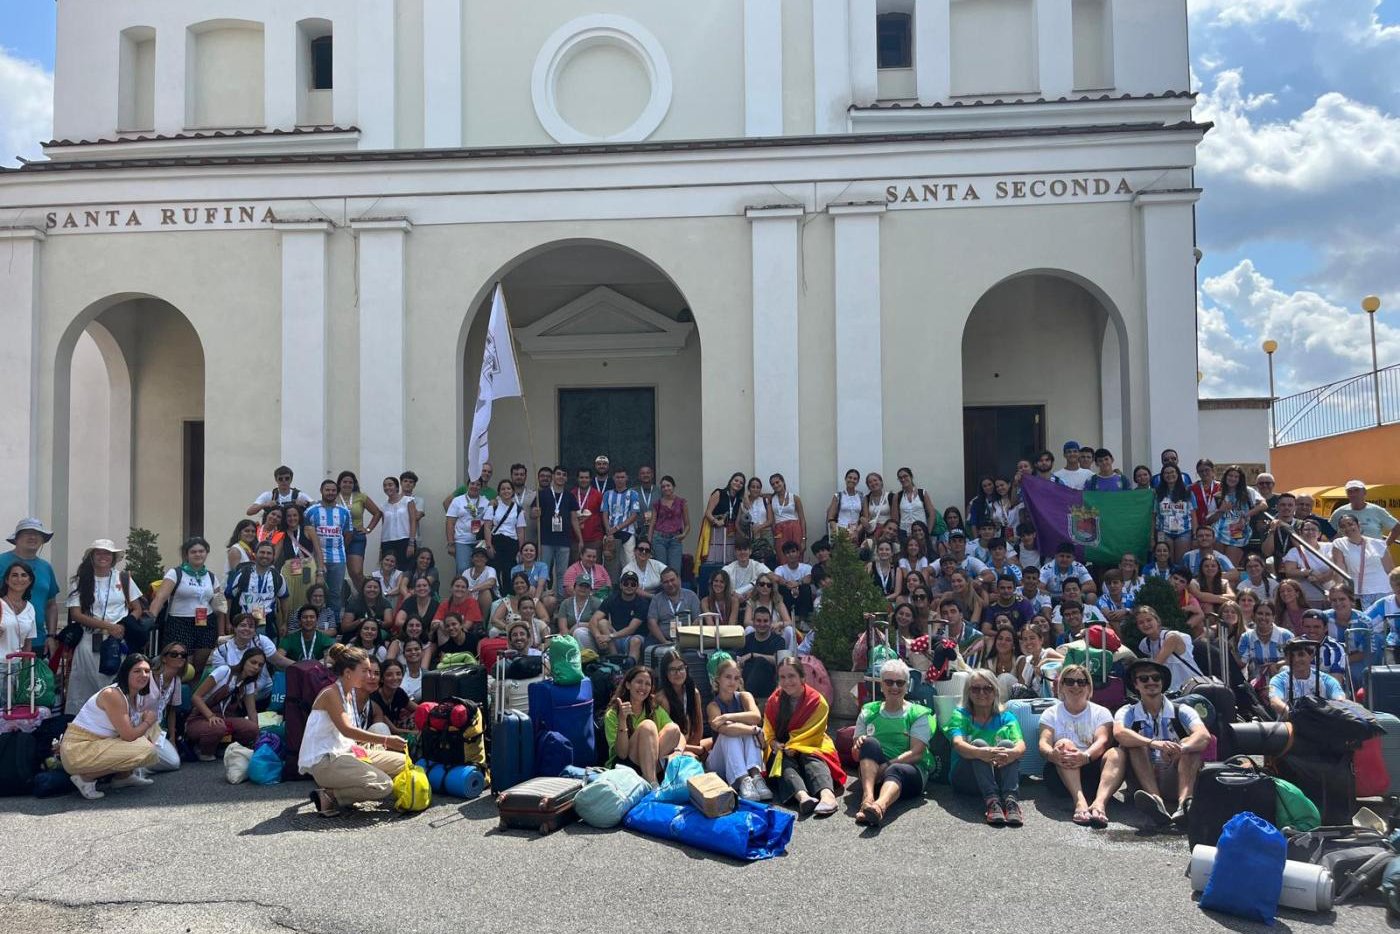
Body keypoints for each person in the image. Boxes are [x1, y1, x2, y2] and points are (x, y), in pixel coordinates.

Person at [300, 644, 409, 817]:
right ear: (348, 673)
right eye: (365, 671)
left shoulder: (349, 693)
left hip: (346, 753)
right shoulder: (330, 693)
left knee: (404, 762)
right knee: (384, 785)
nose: (370, 676)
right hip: (325, 761)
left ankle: (350, 787)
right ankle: (329, 795)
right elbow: (347, 730)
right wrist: (386, 740)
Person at [1114, 659, 1208, 826]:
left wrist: (1181, 748)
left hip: (1173, 776)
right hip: (1141, 780)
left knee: (1191, 744)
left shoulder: (1182, 709)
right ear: (1136, 685)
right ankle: (1156, 801)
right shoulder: (1127, 711)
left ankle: (1184, 804)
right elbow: (1119, 733)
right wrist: (1153, 743)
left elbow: (1203, 735)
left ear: (1162, 682)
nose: (1151, 682)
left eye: (1156, 678)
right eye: (1144, 679)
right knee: (1136, 743)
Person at [59, 653, 160, 799]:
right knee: (146, 748)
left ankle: (124, 777)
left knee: (153, 730)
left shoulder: (134, 695)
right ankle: (85, 779)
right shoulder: (113, 694)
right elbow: (128, 736)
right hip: (78, 750)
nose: (143, 675)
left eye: (147, 671)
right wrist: (147, 721)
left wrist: (147, 725)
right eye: (137, 671)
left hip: (98, 744)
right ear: (126, 673)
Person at [1038, 663, 1126, 828]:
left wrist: (1085, 757)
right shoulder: (1050, 713)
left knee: (1117, 753)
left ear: (1089, 687)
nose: (1076, 686)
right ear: (1061, 686)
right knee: (1064, 744)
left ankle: (1099, 804)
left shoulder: (1101, 712)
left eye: (1081, 682)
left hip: (1094, 771)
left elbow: (1103, 740)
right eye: (1069, 681)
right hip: (1061, 776)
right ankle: (1079, 802)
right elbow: (1043, 742)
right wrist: (1052, 754)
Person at [64, 540, 146, 716]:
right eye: (99, 552)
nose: (103, 556)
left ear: (113, 557)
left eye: (107, 553)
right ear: (92, 556)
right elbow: (76, 614)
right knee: (86, 686)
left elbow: (137, 608)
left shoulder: (123, 578)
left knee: (116, 684)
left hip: (117, 642)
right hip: (89, 639)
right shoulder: (80, 581)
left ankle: (118, 722)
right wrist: (108, 626)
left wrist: (123, 625)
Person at [851, 658, 933, 827]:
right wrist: (859, 745)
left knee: (895, 769)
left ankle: (879, 807)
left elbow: (917, 753)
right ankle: (867, 799)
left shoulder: (918, 714)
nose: (894, 687)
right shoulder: (868, 711)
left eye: (900, 683)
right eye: (889, 682)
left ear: (907, 686)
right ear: (881, 685)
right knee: (869, 742)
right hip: (875, 775)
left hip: (908, 772)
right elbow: (856, 754)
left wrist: (887, 765)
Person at [762, 657, 843, 817]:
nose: (787, 682)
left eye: (791, 676)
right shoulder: (774, 700)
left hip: (812, 744)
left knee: (810, 757)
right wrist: (773, 743)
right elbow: (768, 730)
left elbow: (814, 731)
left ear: (802, 678)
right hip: (783, 747)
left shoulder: (817, 701)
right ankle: (803, 798)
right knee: (782, 759)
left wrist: (794, 746)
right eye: (782, 677)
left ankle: (827, 796)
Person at [946, 669, 1026, 826]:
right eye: (975, 689)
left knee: (1007, 745)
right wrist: (981, 753)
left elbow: (1021, 745)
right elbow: (957, 743)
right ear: (968, 692)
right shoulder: (960, 715)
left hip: (997, 775)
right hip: (966, 778)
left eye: (987, 688)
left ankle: (1011, 801)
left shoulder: (1006, 717)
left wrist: (1011, 753)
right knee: (978, 744)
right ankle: (992, 801)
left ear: (995, 691)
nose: (982, 693)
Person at [147, 536, 224, 673]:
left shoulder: (211, 576)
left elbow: (220, 606)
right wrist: (149, 620)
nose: (198, 554)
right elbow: (160, 597)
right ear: (186, 554)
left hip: (206, 624)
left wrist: (221, 633)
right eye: (193, 552)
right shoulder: (175, 573)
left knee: (199, 668)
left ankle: (194, 687)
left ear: (206, 553)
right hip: (180, 623)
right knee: (181, 667)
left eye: (201, 551)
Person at [603, 665, 683, 786]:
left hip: (649, 765)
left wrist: (678, 751)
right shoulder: (613, 713)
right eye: (639, 682)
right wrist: (622, 720)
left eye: (647, 684)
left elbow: (677, 734)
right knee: (648, 726)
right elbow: (622, 754)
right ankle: (652, 783)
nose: (643, 687)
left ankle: (648, 777)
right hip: (624, 766)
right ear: (628, 685)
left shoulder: (653, 708)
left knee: (673, 729)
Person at [705, 657, 770, 800]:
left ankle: (756, 777)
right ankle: (743, 780)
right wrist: (755, 730)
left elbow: (756, 716)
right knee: (733, 733)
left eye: (736, 678)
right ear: (718, 679)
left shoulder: (744, 696)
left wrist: (726, 717)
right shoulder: (713, 706)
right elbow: (725, 730)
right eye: (728, 677)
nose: (732, 682)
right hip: (719, 762)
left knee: (744, 729)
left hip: (742, 758)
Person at [185, 649, 265, 761]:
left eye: (260, 665)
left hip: (224, 718)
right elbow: (196, 697)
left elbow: (252, 711)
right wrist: (210, 716)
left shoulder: (248, 683)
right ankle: (203, 751)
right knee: (217, 727)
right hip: (199, 717)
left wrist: (256, 736)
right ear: (244, 661)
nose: (256, 667)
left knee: (251, 728)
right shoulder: (224, 671)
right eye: (253, 662)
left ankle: (223, 747)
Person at [0, 519, 59, 655]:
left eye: (37, 534)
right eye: (27, 533)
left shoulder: (46, 567)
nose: (32, 537)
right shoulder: (1, 562)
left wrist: (51, 635)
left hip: (38, 640)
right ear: (16, 538)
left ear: (42, 540)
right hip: (4, 641)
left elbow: (51, 605)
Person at [305, 480, 353, 618]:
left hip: (338, 559)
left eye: (333, 490)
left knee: (335, 593)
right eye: (327, 490)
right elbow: (306, 533)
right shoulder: (310, 511)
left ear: (337, 492)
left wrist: (340, 548)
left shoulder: (344, 511)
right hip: (315, 561)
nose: (330, 493)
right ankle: (313, 620)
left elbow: (348, 534)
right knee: (314, 592)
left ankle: (334, 622)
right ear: (321, 491)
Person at [226, 540, 290, 640]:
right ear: (255, 554)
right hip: (244, 623)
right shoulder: (243, 574)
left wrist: (284, 623)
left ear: (273, 556)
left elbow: (284, 599)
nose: (265, 556)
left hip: (268, 625)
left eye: (269, 553)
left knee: (267, 649)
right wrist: (227, 622)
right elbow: (229, 597)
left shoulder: (277, 577)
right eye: (262, 552)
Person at [1331, 512, 1395, 609]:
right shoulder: (1339, 544)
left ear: (1358, 525)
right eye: (1343, 526)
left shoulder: (1378, 543)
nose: (1347, 528)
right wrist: (1337, 589)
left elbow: (1390, 570)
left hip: (1383, 590)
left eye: (1350, 524)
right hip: (1358, 593)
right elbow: (1339, 570)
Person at [1204, 466, 1265, 565]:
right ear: (1225, 477)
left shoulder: (1248, 492)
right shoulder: (1218, 495)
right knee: (1217, 565)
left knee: (1230, 565)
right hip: (1219, 533)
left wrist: (1246, 515)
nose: (1233, 478)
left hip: (1237, 531)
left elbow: (1263, 505)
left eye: (1236, 477)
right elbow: (1208, 520)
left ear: (1240, 479)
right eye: (1230, 475)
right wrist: (1221, 510)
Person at [1268, 639, 1344, 716]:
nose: (1296, 659)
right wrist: (1292, 714)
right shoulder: (1278, 680)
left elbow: (1340, 701)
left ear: (1311, 656)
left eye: (1301, 655)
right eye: (1291, 655)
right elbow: (1275, 701)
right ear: (1286, 659)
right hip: (1290, 720)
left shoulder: (1326, 680)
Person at [334, 471, 382, 593]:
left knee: (356, 572)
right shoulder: (334, 496)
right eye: (345, 482)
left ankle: (368, 595)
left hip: (356, 536)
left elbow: (377, 513)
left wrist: (368, 529)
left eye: (350, 482)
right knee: (340, 572)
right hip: (337, 537)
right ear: (339, 483)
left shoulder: (361, 497)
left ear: (354, 484)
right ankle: (359, 596)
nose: (347, 484)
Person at [655, 648, 708, 758]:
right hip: (670, 750)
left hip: (690, 745)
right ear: (665, 673)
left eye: (681, 668)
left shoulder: (693, 692)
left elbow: (698, 728)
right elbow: (664, 741)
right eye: (672, 669)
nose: (678, 673)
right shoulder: (661, 699)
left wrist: (694, 748)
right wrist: (696, 750)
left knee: (721, 739)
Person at [211, 612, 280, 695]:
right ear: (235, 628)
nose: (247, 629)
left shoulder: (261, 643)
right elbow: (221, 680)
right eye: (243, 625)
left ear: (254, 631)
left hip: (262, 692)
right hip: (233, 694)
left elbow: (264, 675)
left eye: (251, 626)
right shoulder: (221, 652)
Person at [278, 502, 323, 613]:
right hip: (289, 570)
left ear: (299, 516)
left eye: (295, 515)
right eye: (289, 516)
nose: (292, 518)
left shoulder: (309, 530)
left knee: (305, 597)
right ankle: (289, 622)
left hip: (307, 567)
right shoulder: (281, 534)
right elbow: (275, 554)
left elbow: (318, 552)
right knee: (288, 600)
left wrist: (320, 573)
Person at [444, 478, 493, 580]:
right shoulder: (458, 501)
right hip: (462, 541)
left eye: (478, 484)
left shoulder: (485, 502)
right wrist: (450, 543)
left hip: (480, 542)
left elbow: (489, 522)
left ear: (481, 487)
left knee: (480, 570)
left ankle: (476, 589)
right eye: (472, 484)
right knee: (463, 568)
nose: (475, 486)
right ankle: (462, 589)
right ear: (467, 485)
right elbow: (450, 523)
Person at [1330, 479, 1400, 546]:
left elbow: (1397, 528)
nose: (1353, 494)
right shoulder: (1339, 513)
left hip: (1373, 552)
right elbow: (1329, 533)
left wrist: (1384, 546)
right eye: (1350, 491)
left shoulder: (1376, 510)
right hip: (1348, 552)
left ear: (1364, 492)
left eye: (1357, 490)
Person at [645, 567, 702, 649]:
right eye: (666, 582)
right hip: (661, 640)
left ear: (679, 579)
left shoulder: (691, 595)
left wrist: (686, 639)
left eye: (672, 580)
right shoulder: (656, 599)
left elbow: (698, 619)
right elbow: (651, 623)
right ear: (662, 584)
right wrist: (664, 641)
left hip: (687, 639)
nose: (670, 584)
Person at [738, 604, 786, 700]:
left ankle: (746, 697)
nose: (762, 624)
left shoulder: (778, 640)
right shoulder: (746, 639)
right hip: (747, 679)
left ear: (771, 622)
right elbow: (738, 660)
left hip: (767, 682)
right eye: (759, 621)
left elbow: (778, 660)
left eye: (765, 621)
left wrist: (752, 655)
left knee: (760, 661)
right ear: (753, 622)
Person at [1238, 599, 1293, 682]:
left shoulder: (1286, 635)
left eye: (1267, 614)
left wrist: (1277, 665)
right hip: (1256, 681)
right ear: (1253, 616)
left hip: (1283, 680)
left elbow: (1295, 660)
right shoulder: (1246, 637)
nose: (1263, 617)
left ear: (1273, 618)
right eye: (1260, 613)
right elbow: (1242, 663)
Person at [601, 468, 641, 578]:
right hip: (611, 534)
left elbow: (634, 515)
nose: (620, 480)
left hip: (627, 533)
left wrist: (618, 527)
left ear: (627, 478)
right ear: (613, 478)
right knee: (609, 563)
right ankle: (610, 585)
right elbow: (604, 514)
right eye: (617, 477)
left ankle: (630, 584)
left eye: (622, 477)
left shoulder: (633, 494)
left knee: (629, 563)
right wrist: (608, 530)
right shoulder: (607, 494)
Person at [1154, 464, 1194, 563]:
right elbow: (1153, 515)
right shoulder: (1157, 493)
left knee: (1181, 561)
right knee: (1165, 561)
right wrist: (1152, 536)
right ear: (1162, 476)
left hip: (1184, 531)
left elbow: (1193, 514)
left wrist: (1195, 534)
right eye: (1166, 473)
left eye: (1172, 472)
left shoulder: (1187, 491)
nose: (1169, 475)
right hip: (1163, 532)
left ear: (1178, 474)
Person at [368, 657, 418, 736]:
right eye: (389, 675)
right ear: (382, 679)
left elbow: (419, 709)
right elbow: (394, 730)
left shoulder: (399, 692)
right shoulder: (375, 698)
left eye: (398, 674)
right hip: (380, 734)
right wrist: (418, 733)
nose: (395, 678)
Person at [650, 475, 690, 574]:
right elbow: (652, 523)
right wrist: (649, 541)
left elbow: (687, 524)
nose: (666, 488)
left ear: (673, 486)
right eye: (663, 487)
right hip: (659, 539)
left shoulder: (681, 502)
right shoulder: (657, 503)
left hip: (675, 539)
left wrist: (684, 534)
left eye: (668, 485)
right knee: (661, 570)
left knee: (675, 570)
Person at [378, 475, 418, 571]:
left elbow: (413, 521)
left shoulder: (408, 500)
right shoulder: (383, 506)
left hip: (405, 540)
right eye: (385, 485)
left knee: (405, 569)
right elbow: (384, 525)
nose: (387, 487)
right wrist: (380, 548)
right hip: (387, 541)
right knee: (389, 570)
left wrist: (411, 543)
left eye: (390, 485)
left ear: (396, 487)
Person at [0, 561, 37, 655]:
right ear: (7, 580)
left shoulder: (30, 608)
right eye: (14, 575)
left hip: (17, 662)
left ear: (30, 581)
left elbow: (27, 643)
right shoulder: (1, 604)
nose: (19, 579)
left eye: (24, 575)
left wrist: (26, 664)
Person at [772, 541, 815, 621]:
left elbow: (809, 578)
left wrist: (797, 583)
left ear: (798, 553)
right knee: (782, 589)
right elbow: (777, 578)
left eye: (793, 551)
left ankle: (803, 620)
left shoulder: (806, 567)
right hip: (787, 598)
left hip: (802, 599)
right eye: (788, 553)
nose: (791, 554)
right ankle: (786, 619)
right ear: (784, 555)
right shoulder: (780, 569)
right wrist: (787, 584)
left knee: (805, 588)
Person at [246, 466, 312, 515]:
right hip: (275, 528)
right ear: (276, 480)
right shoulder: (268, 495)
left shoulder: (299, 495)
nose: (284, 481)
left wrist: (306, 504)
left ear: (291, 479)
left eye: (287, 478)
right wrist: (265, 505)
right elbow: (249, 512)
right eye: (280, 479)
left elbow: (315, 506)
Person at [722, 537, 771, 603]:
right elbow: (720, 586)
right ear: (735, 552)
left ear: (750, 551)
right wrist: (733, 594)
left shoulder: (757, 565)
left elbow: (773, 577)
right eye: (739, 550)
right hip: (733, 602)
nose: (742, 552)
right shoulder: (728, 569)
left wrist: (753, 592)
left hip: (753, 602)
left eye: (745, 549)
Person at [557, 574, 601, 646]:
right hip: (570, 636)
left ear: (590, 590)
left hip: (590, 634)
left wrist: (579, 625)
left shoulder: (596, 603)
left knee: (578, 632)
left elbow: (599, 624)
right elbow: (563, 627)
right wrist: (569, 639)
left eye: (586, 587)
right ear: (575, 587)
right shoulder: (566, 603)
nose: (583, 588)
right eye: (581, 585)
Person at [892, 468, 937, 538]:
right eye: (900, 478)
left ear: (911, 476)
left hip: (921, 532)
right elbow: (895, 519)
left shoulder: (922, 493)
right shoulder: (897, 496)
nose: (903, 479)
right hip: (904, 533)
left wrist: (928, 532)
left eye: (905, 476)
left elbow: (932, 514)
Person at [768, 473, 806, 555]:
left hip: (794, 528)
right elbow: (757, 494)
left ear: (783, 482)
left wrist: (803, 539)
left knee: (796, 554)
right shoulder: (771, 499)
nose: (776, 485)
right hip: (779, 530)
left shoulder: (795, 498)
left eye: (777, 482)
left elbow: (802, 519)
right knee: (781, 554)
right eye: (773, 484)